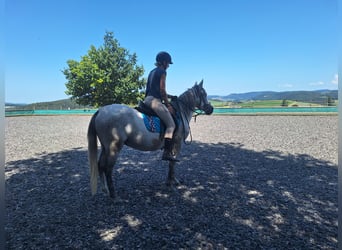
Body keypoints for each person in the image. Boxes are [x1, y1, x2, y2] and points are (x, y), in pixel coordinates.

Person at [144, 51, 178, 161]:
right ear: (163, 62)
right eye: (168, 63)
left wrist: (171, 96)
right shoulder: (162, 72)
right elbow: (162, 90)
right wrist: (168, 105)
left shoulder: (152, 72)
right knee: (171, 125)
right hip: (155, 101)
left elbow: (155, 89)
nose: (168, 66)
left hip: (147, 100)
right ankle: (167, 152)